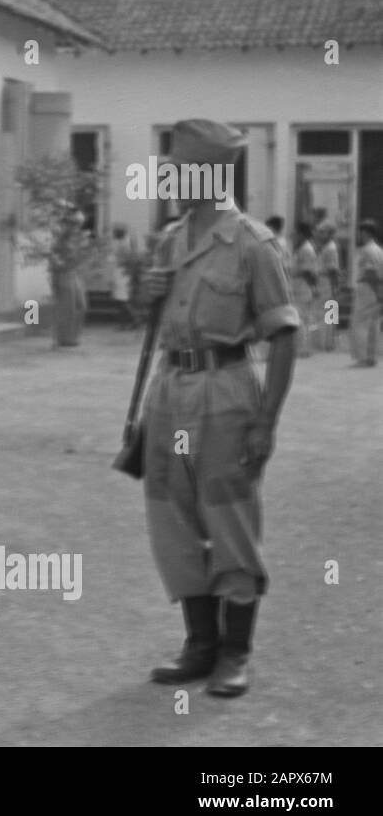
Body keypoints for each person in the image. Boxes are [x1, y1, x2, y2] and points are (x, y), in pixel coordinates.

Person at [141, 119, 298, 699]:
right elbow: (153, 325)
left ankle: (236, 651)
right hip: (170, 389)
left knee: (228, 518)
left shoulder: (254, 244)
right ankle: (199, 645)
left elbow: (284, 335)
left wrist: (267, 422)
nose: (171, 179)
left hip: (227, 390)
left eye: (180, 169)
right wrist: (147, 297)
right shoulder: (169, 240)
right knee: (171, 518)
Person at [349, 218, 383, 368]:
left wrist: (377, 291)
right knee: (374, 323)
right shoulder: (379, 250)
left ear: (366, 232)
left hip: (367, 288)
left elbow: (371, 273)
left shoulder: (366, 251)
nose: (359, 235)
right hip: (376, 289)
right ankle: (371, 356)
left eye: (361, 232)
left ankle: (362, 356)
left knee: (360, 323)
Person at [291, 222, 319, 359]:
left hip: (302, 288)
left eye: (295, 233)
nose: (293, 236)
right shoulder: (300, 248)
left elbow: (308, 272)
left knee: (301, 319)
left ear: (301, 234)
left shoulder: (307, 249)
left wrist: (313, 288)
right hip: (298, 288)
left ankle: (303, 348)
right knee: (301, 318)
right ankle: (303, 347)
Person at [315, 223, 341, 351]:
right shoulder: (325, 248)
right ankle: (325, 342)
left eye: (322, 232)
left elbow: (333, 270)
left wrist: (335, 286)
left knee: (329, 313)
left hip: (327, 282)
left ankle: (327, 343)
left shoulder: (331, 248)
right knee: (326, 313)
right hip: (323, 281)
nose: (319, 235)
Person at [109, 223, 138, 330]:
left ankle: (135, 319)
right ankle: (124, 323)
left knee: (123, 300)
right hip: (120, 272)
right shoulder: (122, 243)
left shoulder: (124, 244)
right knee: (121, 300)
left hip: (122, 273)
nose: (113, 234)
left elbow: (126, 260)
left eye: (115, 232)